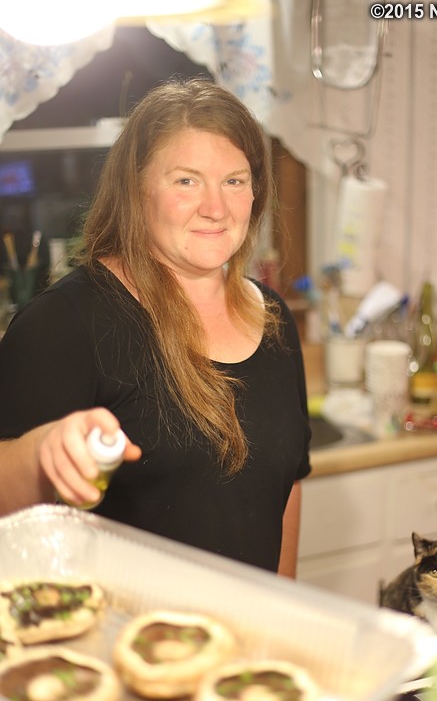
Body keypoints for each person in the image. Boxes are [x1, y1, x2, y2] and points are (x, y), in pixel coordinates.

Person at [0, 77, 311, 578]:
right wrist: (42, 455)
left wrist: (284, 613)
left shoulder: (274, 321)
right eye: (186, 180)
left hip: (242, 647)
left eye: (234, 180)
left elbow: (289, 486)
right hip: (120, 647)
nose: (216, 207)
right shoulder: (64, 325)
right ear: (137, 189)